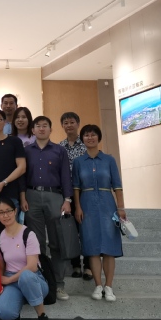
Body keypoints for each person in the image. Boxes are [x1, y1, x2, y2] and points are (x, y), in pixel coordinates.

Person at [73, 124, 126, 303]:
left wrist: (121, 208)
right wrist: (78, 207)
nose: (90, 138)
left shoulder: (109, 160)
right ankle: (98, 285)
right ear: (82, 139)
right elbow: (76, 187)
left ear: (99, 137)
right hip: (87, 205)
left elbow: (117, 186)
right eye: (86, 135)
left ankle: (109, 286)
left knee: (109, 246)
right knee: (92, 246)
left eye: (93, 135)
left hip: (107, 204)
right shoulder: (78, 162)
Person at [24, 116, 73, 301]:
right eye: (38, 126)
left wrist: (67, 200)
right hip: (31, 196)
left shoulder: (59, 150)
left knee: (57, 242)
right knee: (36, 243)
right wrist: (22, 197)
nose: (41, 128)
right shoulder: (27, 151)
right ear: (33, 130)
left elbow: (66, 176)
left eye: (45, 126)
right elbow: (22, 175)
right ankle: (42, 282)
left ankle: (59, 284)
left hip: (55, 197)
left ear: (51, 129)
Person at [0, 197, 51, 320]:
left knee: (26, 276)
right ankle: (16, 305)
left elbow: (32, 266)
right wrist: (0, 281)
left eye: (8, 211)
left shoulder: (28, 234)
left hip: (34, 280)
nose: (5, 215)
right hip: (12, 280)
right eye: (1, 212)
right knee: (5, 313)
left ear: (15, 211)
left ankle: (42, 315)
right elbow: (1, 263)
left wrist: (8, 280)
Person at [59, 111, 91, 280]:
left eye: (72, 122)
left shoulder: (85, 145)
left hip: (85, 192)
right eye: (66, 123)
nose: (69, 125)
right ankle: (75, 265)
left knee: (86, 229)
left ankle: (89, 266)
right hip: (66, 193)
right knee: (71, 231)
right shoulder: (59, 146)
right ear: (62, 126)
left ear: (78, 124)